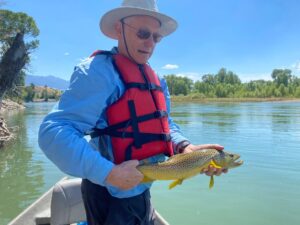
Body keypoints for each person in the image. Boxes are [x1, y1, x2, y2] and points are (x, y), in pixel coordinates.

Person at [38, 0, 227, 224]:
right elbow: (53, 132)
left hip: (140, 189)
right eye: (143, 33)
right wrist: (109, 173)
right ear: (119, 28)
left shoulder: (158, 80)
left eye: (156, 37)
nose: (150, 43)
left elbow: (166, 126)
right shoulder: (98, 72)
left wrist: (185, 147)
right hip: (107, 192)